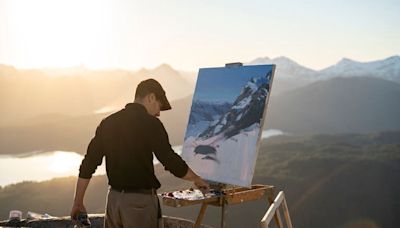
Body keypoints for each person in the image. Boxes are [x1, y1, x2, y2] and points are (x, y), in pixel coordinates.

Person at [70, 78, 210, 228]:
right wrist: (196, 178)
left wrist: (78, 202)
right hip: (139, 205)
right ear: (151, 97)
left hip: (113, 202)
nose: (158, 113)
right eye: (159, 106)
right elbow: (170, 160)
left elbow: (88, 163)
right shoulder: (151, 124)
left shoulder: (108, 122)